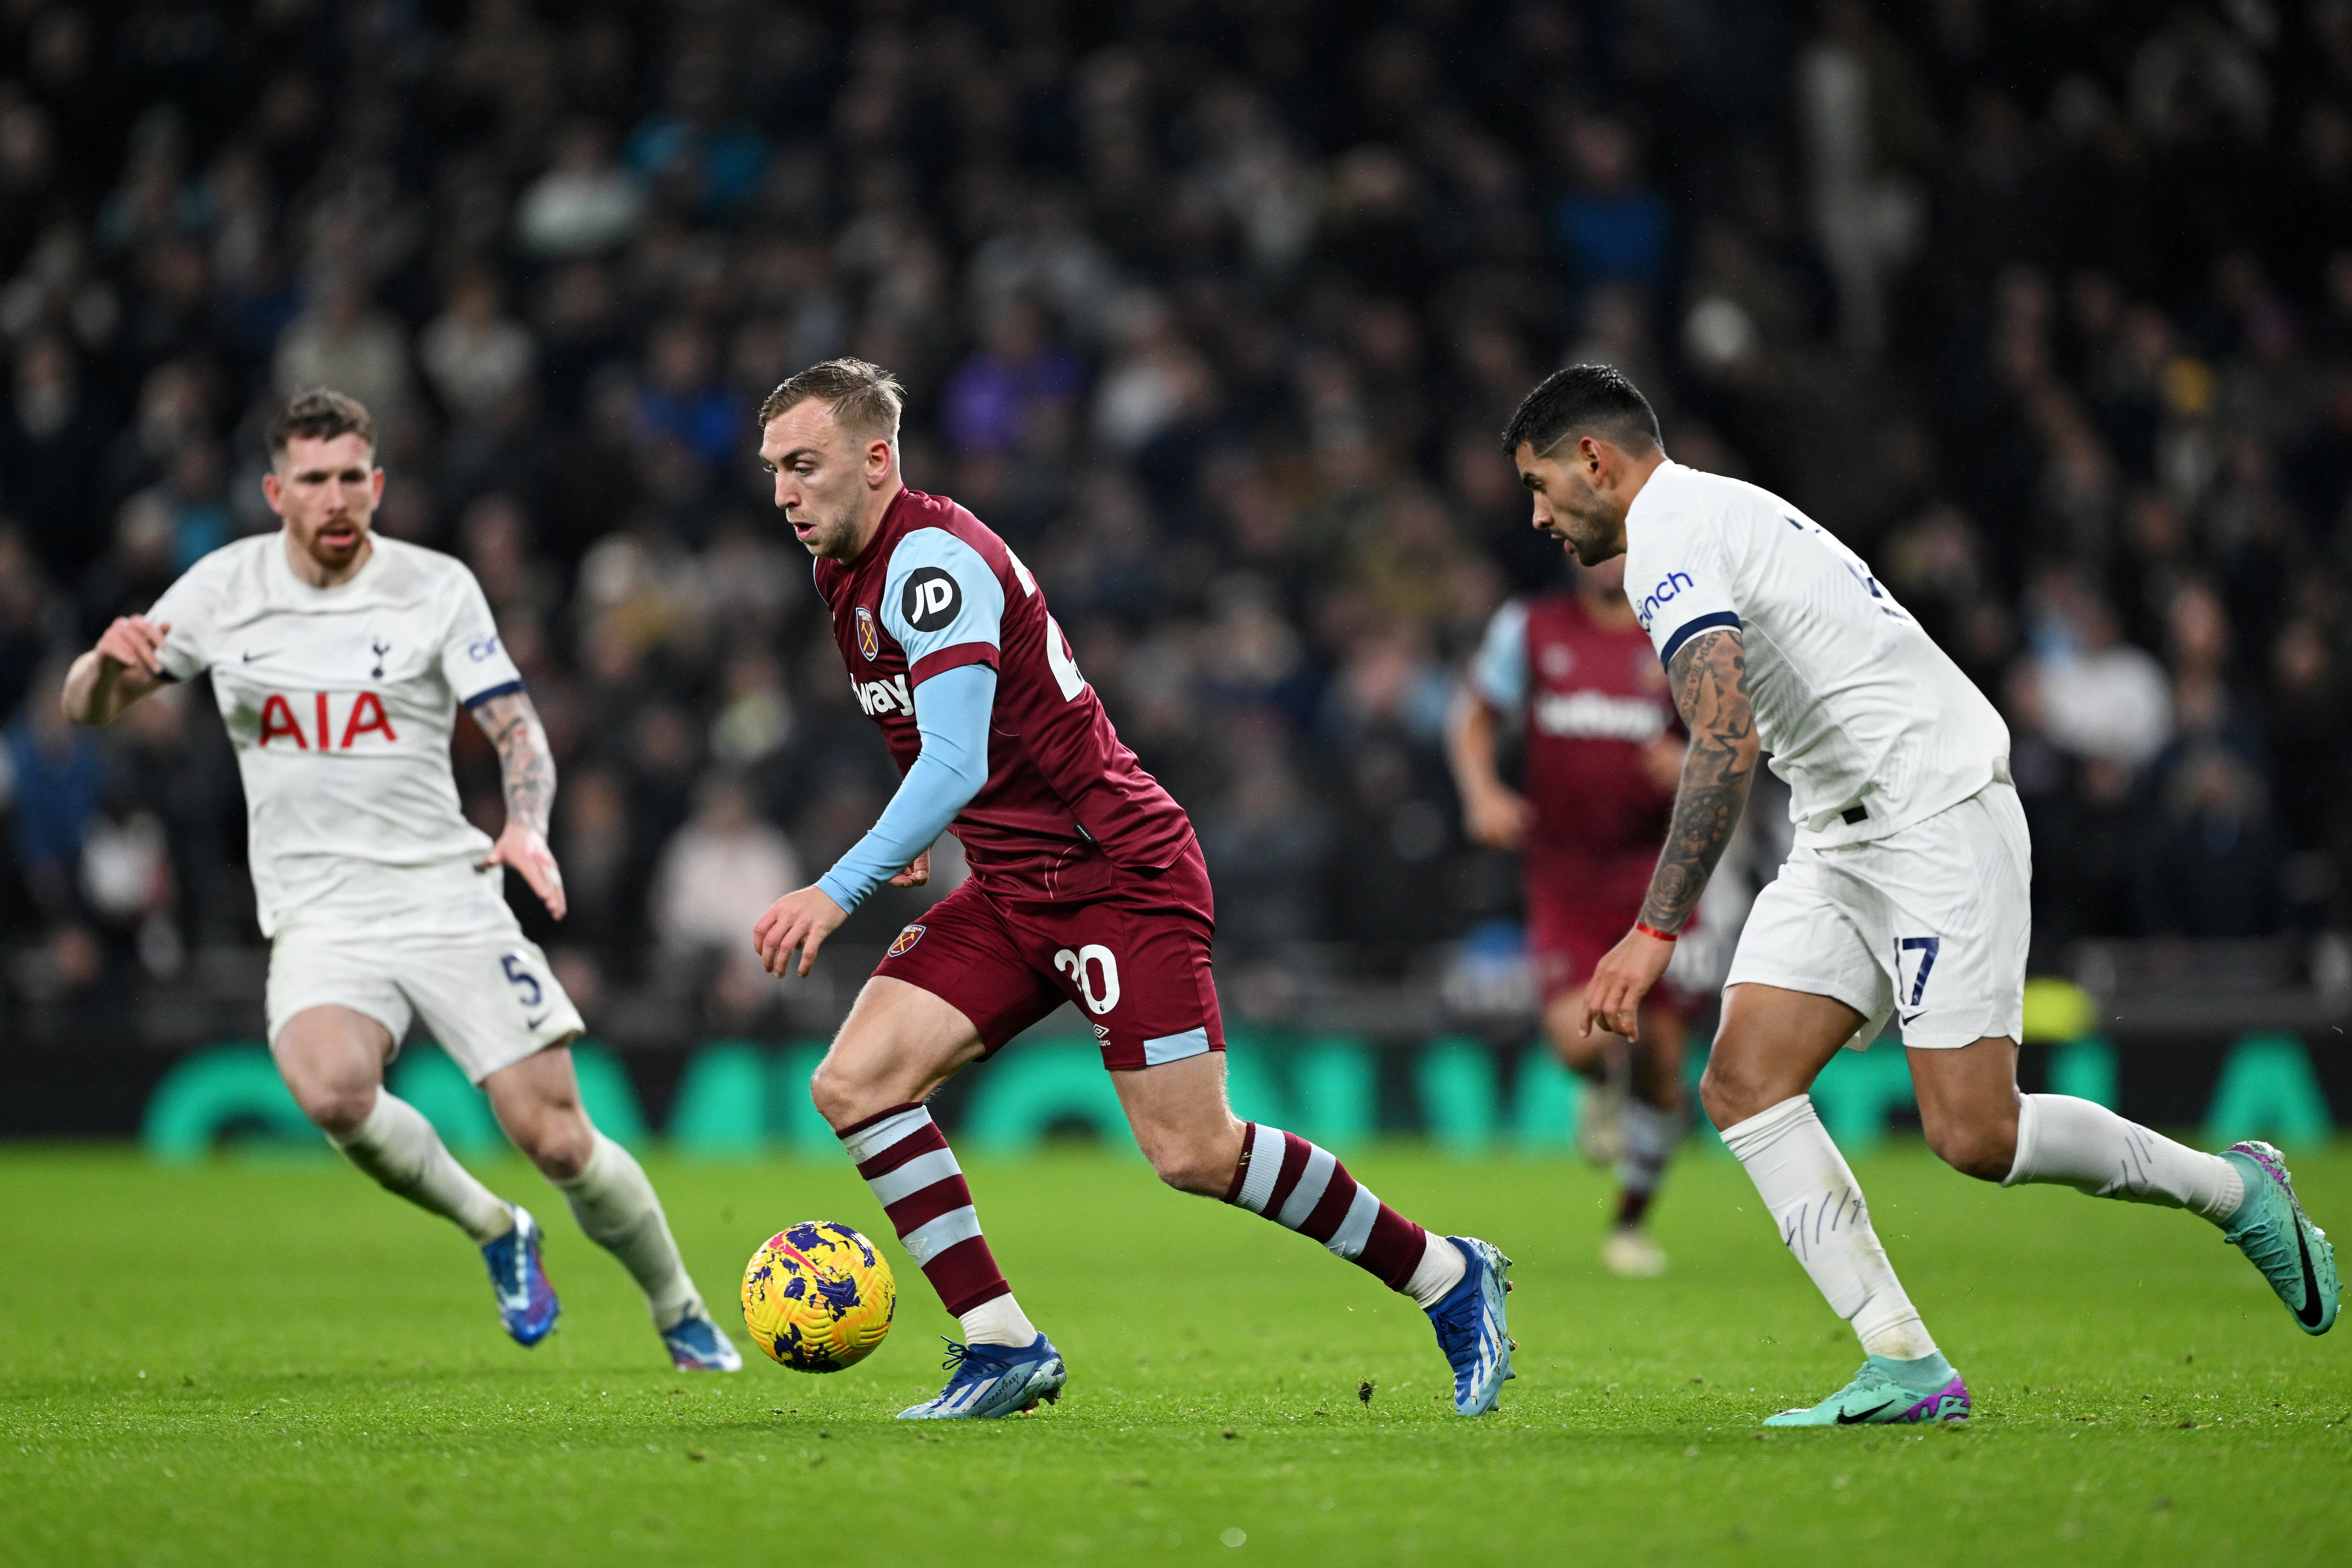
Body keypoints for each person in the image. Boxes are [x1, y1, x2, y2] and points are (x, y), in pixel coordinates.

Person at [1502, 364, 2337, 1427]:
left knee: (1975, 1135)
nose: (1535, 514)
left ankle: (2236, 1190)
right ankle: (1904, 1363)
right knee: (1744, 1080)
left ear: (1593, 459)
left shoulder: (1669, 532)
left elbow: (1722, 738)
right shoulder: (1712, 513)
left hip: (1935, 812)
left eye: (1538, 484)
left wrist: (1652, 930)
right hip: (1838, 830)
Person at [747, 358, 1513, 1421]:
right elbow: (934, 732)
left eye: (804, 465)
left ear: (877, 460)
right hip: (1017, 887)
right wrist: (916, 822)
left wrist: (840, 887)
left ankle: (1443, 1272)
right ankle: (1001, 1341)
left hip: (1118, 874)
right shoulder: (843, 565)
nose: (783, 491)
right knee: (856, 1082)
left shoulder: (932, 561)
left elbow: (960, 760)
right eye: (774, 469)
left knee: (1192, 1152)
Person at [62, 389, 739, 1372]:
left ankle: (679, 1307)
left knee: (553, 1134)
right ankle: (497, 1228)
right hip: (321, 911)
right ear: (275, 490)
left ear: (376, 485)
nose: (336, 498)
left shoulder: (434, 586)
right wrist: (99, 661)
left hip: (445, 890)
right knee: (331, 1089)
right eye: (313, 481)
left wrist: (528, 825)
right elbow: (91, 707)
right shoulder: (220, 589)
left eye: (351, 479)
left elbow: (515, 725)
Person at [1449, 551, 1692, 1277]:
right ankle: (1598, 1081)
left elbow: (1739, 729)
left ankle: (1630, 1223)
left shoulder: (1682, 632)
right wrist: (1483, 794)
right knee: (1577, 1041)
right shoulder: (1530, 627)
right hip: (1562, 871)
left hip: (1659, 867)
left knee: (1664, 1060)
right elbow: (1472, 718)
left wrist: (1691, 761)